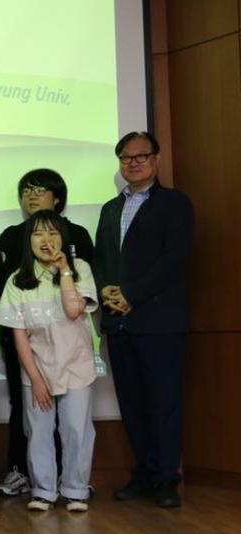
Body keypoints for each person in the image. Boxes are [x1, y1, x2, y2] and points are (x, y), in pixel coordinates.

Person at [94, 131, 193, 508]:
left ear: (156, 159)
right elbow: (102, 258)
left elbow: (174, 260)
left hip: (158, 321)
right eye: (126, 157)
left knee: (163, 402)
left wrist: (131, 295)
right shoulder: (110, 208)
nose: (133, 163)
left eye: (140, 156)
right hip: (118, 323)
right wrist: (104, 289)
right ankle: (145, 474)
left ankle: (167, 478)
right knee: (132, 404)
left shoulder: (175, 204)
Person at [0, 169, 94, 498]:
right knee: (34, 424)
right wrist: (35, 377)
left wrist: (64, 270)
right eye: (26, 190)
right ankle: (40, 487)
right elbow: (15, 324)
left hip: (74, 360)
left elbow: (75, 309)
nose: (46, 240)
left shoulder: (78, 262)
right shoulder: (16, 265)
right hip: (32, 357)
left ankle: (75, 487)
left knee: (76, 427)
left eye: (40, 190)